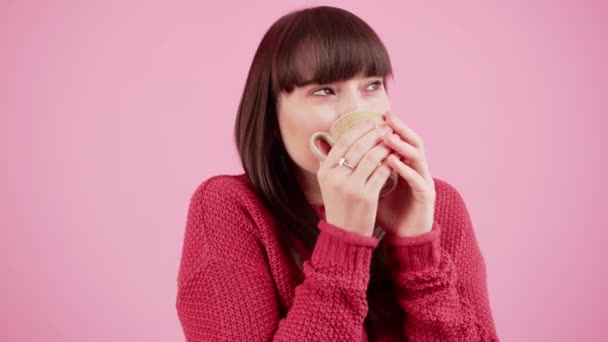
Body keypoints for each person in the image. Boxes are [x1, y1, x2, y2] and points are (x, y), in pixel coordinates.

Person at [176, 5, 498, 341]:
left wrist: (418, 249)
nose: (357, 111)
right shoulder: (229, 208)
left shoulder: (435, 203)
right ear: (272, 117)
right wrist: (344, 239)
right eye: (324, 91)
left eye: (372, 86)